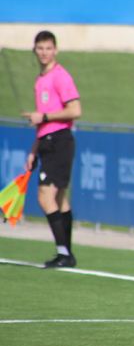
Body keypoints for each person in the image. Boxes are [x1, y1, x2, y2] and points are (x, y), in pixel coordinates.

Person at [22, 31, 81, 268]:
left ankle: (64, 253)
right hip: (46, 141)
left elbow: (75, 110)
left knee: (45, 197)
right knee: (58, 198)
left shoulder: (60, 76)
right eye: (40, 48)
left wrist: (44, 115)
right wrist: (33, 150)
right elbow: (42, 123)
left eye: (48, 48)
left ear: (55, 50)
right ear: (35, 50)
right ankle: (66, 253)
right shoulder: (40, 79)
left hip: (59, 140)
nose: (44, 53)